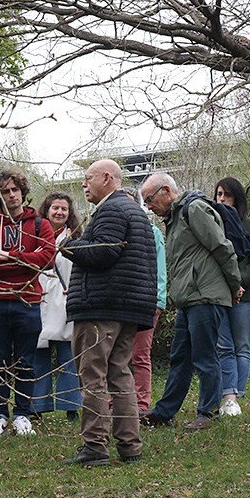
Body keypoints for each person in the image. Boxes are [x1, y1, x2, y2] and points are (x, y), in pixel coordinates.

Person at [59, 159, 159, 466]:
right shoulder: (136, 212)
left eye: (88, 179)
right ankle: (130, 447)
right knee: (120, 374)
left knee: (93, 375)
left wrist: (69, 246)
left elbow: (104, 250)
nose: (84, 185)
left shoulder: (111, 209)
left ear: (107, 178)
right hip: (129, 308)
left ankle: (95, 445)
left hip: (101, 307)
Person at [139, 171, 242, 432]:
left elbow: (222, 247)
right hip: (189, 299)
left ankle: (209, 414)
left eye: (150, 200)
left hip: (205, 296)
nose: (149, 207)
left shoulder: (194, 209)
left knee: (206, 357)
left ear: (165, 191)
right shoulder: (174, 218)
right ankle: (164, 413)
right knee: (180, 357)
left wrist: (234, 285)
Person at [0, 167, 57, 439]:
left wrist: (9, 257)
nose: (11, 195)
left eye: (15, 190)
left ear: (23, 192)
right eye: (5, 192)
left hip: (28, 301)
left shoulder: (40, 225)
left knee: (26, 361)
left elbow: (48, 258)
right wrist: (25, 260)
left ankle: (22, 414)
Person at [214, 177, 250, 416]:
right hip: (219, 293)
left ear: (238, 198)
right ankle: (229, 396)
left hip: (246, 297)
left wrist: (240, 282)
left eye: (226, 194)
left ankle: (235, 396)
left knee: (241, 347)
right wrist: (228, 284)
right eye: (218, 194)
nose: (221, 199)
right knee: (223, 346)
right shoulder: (213, 225)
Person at [32, 191, 82, 421]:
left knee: (67, 356)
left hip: (64, 301)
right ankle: (38, 406)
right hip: (40, 299)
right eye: (55, 208)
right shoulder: (33, 237)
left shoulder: (76, 238)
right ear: (47, 210)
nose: (60, 212)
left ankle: (70, 405)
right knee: (38, 355)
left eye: (64, 209)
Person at [130, 214, 167, 413]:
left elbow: (160, 269)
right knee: (115, 356)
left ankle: (141, 404)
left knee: (140, 354)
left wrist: (159, 300)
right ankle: (115, 402)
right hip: (119, 304)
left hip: (146, 302)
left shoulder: (153, 232)